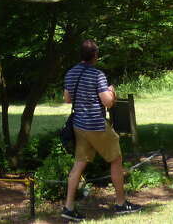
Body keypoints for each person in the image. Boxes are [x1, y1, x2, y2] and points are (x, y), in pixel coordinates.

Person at [61, 39, 143, 220]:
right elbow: (107, 102)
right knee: (116, 159)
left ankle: (68, 207)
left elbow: (67, 99)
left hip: (79, 126)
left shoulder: (71, 73)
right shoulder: (97, 75)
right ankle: (121, 203)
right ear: (95, 56)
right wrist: (112, 92)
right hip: (96, 125)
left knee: (79, 164)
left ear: (81, 55)